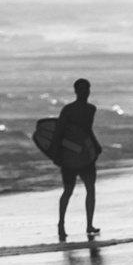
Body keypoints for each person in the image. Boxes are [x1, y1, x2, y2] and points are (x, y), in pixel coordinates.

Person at [49, 78, 103, 241]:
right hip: (69, 156)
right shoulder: (68, 110)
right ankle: (61, 224)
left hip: (86, 154)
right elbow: (59, 132)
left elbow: (86, 131)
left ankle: (89, 225)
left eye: (86, 89)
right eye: (81, 89)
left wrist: (95, 145)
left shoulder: (91, 109)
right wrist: (56, 155)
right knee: (68, 190)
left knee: (90, 189)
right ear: (76, 91)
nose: (84, 92)